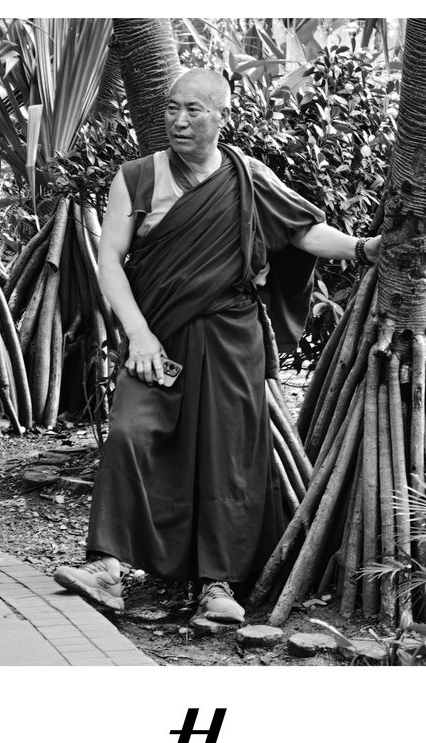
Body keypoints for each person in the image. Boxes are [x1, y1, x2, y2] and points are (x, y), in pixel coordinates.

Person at [54, 69, 380, 623]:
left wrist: (364, 248)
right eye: (172, 108)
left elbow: (302, 232)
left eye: (194, 110)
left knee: (227, 455)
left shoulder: (248, 177)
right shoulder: (136, 177)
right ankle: (107, 567)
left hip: (230, 337)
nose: (179, 121)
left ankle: (217, 584)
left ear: (221, 117)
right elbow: (109, 260)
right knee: (132, 433)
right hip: (156, 337)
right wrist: (138, 333)